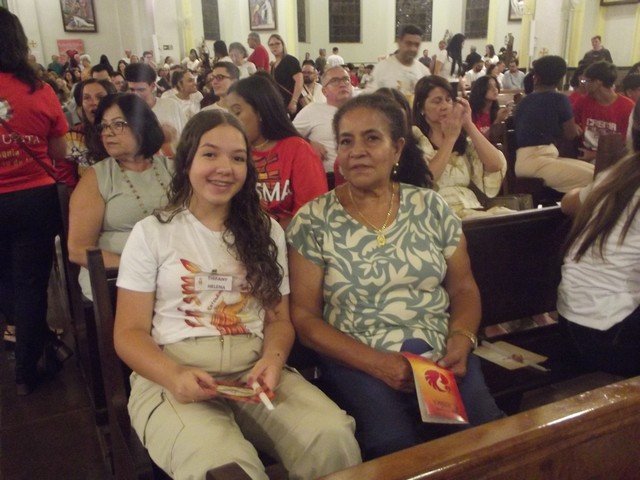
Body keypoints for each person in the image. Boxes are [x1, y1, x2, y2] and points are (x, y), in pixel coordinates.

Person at [113, 109, 360, 479]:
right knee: (224, 466)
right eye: (210, 154)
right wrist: (173, 374)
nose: (224, 168)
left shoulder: (265, 231)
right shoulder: (153, 232)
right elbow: (128, 333)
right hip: (175, 372)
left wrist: (273, 360)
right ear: (187, 161)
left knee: (331, 437)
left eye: (238, 158)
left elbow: (278, 320)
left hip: (251, 370)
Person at [287, 93, 503, 461]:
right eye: (346, 141)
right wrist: (376, 363)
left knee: (486, 436)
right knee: (393, 445)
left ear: (398, 148)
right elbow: (305, 318)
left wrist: (461, 338)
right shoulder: (314, 220)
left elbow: (463, 287)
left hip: (440, 354)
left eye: (372, 138)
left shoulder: (430, 206)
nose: (357, 151)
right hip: (357, 358)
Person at [0, 7, 69, 395]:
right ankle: (27, 368)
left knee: (4, 278)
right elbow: (59, 151)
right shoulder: (39, 90)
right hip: (33, 198)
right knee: (31, 283)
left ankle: (20, 334)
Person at [557, 101, 640, 377]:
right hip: (609, 333)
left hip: (575, 321)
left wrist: (594, 192)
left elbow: (568, 203)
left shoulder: (621, 172)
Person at [68, 92, 171, 300]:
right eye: (104, 126)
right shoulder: (97, 177)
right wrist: (139, 269)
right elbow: (78, 250)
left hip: (171, 268)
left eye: (118, 124)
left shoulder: (171, 168)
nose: (108, 133)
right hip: (116, 277)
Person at [227, 74, 327, 227]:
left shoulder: (298, 150)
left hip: (288, 237)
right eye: (229, 115)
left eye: (237, 112)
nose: (231, 122)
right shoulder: (233, 153)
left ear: (260, 111)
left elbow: (312, 215)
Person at [413, 76, 507, 218]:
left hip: (471, 207)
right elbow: (426, 181)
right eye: (437, 101)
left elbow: (495, 165)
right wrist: (449, 139)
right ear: (421, 107)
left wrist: (468, 124)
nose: (445, 106)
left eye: (448, 100)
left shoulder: (461, 138)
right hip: (436, 212)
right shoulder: (415, 137)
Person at [514, 55, 594, 193]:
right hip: (536, 161)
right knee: (596, 179)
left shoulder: (525, 100)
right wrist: (575, 128)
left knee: (597, 172)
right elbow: (570, 135)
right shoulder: (559, 99)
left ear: (536, 77)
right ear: (560, 79)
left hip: (530, 159)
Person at [294, 66, 353, 174]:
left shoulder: (363, 110)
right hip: (326, 176)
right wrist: (308, 144)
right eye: (335, 81)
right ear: (324, 91)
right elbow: (287, 135)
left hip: (361, 175)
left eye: (346, 79)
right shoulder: (312, 110)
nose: (342, 84)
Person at [573, 61, 634, 161]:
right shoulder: (583, 101)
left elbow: (627, 146)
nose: (582, 85)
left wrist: (595, 155)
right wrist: (573, 125)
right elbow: (571, 121)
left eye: (585, 81)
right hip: (583, 154)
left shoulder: (627, 107)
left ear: (597, 82)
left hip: (613, 159)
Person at [125, 62, 187, 157]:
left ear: (153, 86)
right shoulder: (125, 112)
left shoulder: (171, 105)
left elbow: (187, 136)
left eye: (141, 90)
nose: (136, 94)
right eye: (132, 90)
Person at [368, 24, 430, 96]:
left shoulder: (424, 72)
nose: (413, 48)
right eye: (408, 43)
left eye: (416, 45)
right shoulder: (381, 68)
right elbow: (369, 97)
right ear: (399, 42)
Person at [268, 34, 303, 117]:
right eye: (271, 45)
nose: (274, 47)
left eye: (277, 43)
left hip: (291, 101)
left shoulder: (290, 60)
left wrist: (294, 101)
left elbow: (299, 81)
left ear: (282, 45)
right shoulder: (273, 65)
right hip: (280, 103)